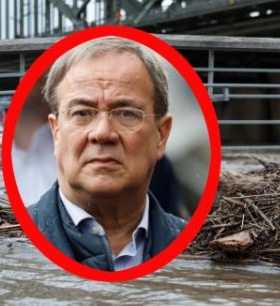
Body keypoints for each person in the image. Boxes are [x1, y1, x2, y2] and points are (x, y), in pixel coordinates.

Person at [28, 36, 186, 272]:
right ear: (56, 132)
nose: (102, 133)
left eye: (126, 113)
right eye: (82, 113)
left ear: (161, 135)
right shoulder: (10, 243)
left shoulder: (196, 247)